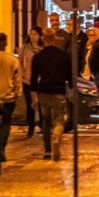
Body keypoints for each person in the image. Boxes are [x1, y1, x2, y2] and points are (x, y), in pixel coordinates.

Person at [30, 30, 71, 161]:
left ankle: (47, 151)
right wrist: (69, 92)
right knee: (58, 119)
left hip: (43, 91)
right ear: (54, 38)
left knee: (45, 121)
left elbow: (33, 79)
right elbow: (70, 77)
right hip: (59, 90)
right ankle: (57, 137)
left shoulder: (38, 57)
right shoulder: (63, 55)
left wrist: (33, 98)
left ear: (43, 39)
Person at [0, 33, 22, 164]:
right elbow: (17, 79)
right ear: (6, 42)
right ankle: (2, 148)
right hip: (8, 98)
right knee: (5, 125)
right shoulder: (12, 60)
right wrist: (18, 94)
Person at [19, 25, 43, 138]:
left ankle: (43, 126)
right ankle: (31, 127)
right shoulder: (25, 47)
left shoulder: (42, 48)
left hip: (40, 80)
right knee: (30, 104)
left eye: (35, 34)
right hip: (27, 79)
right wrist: (22, 74)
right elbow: (20, 62)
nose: (33, 37)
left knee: (42, 103)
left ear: (40, 36)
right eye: (31, 34)